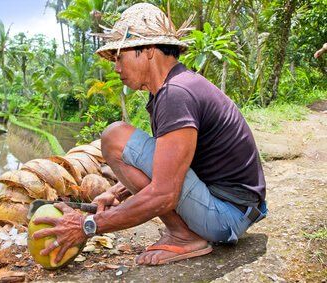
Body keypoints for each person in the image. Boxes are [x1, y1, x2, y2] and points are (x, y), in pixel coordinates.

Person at [32, 3, 267, 266]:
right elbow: (170, 163)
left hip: (225, 215)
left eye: (119, 56)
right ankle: (185, 232)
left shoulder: (176, 94)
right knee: (119, 139)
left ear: (148, 51)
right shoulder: (174, 89)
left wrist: (87, 225)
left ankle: (184, 237)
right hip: (237, 209)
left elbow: (165, 193)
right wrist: (118, 194)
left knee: (114, 137)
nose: (116, 68)